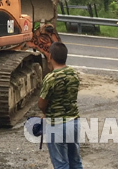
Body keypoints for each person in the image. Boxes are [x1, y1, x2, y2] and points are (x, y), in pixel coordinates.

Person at [38, 41, 83, 169]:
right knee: (76, 161)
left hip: (57, 125)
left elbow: (41, 104)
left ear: (50, 56)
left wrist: (45, 112)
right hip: (74, 122)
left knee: (61, 164)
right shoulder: (73, 74)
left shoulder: (50, 78)